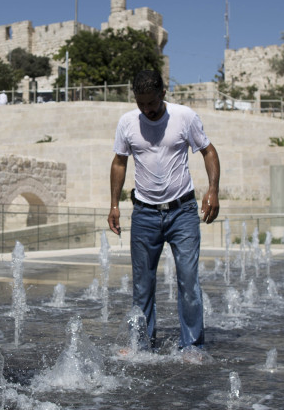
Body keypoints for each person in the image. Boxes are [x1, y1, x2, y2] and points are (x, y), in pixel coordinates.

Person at [107, 70, 220, 359]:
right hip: (144, 213)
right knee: (142, 284)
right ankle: (141, 344)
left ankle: (192, 345)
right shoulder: (127, 123)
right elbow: (119, 162)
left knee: (188, 281)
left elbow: (208, 151)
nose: (147, 109)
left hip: (183, 211)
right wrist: (114, 205)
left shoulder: (184, 117)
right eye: (141, 103)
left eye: (152, 103)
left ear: (163, 93)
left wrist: (213, 190)